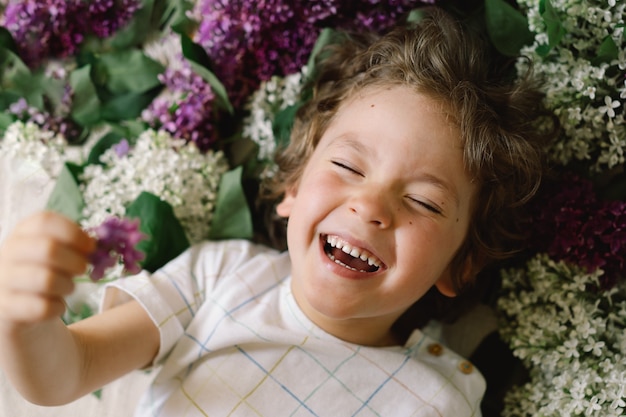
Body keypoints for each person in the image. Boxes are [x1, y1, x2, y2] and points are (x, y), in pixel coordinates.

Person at [0, 8, 551, 417]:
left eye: (424, 202)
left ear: (461, 264)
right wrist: (23, 315)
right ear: (292, 185)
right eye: (348, 166)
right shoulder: (217, 277)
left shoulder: (438, 400)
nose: (369, 206)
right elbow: (65, 373)